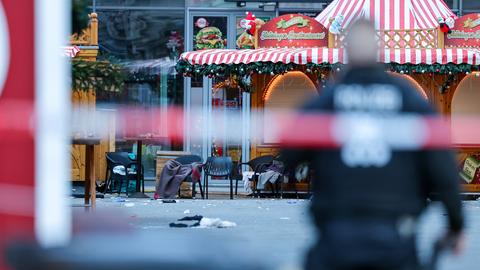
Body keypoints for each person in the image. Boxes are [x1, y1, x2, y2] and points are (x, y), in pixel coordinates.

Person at [281, 20, 464, 270]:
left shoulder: (327, 100)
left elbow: (289, 152)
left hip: (336, 238)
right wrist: (456, 226)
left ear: (347, 53)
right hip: (396, 239)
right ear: (377, 50)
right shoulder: (409, 100)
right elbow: (443, 170)